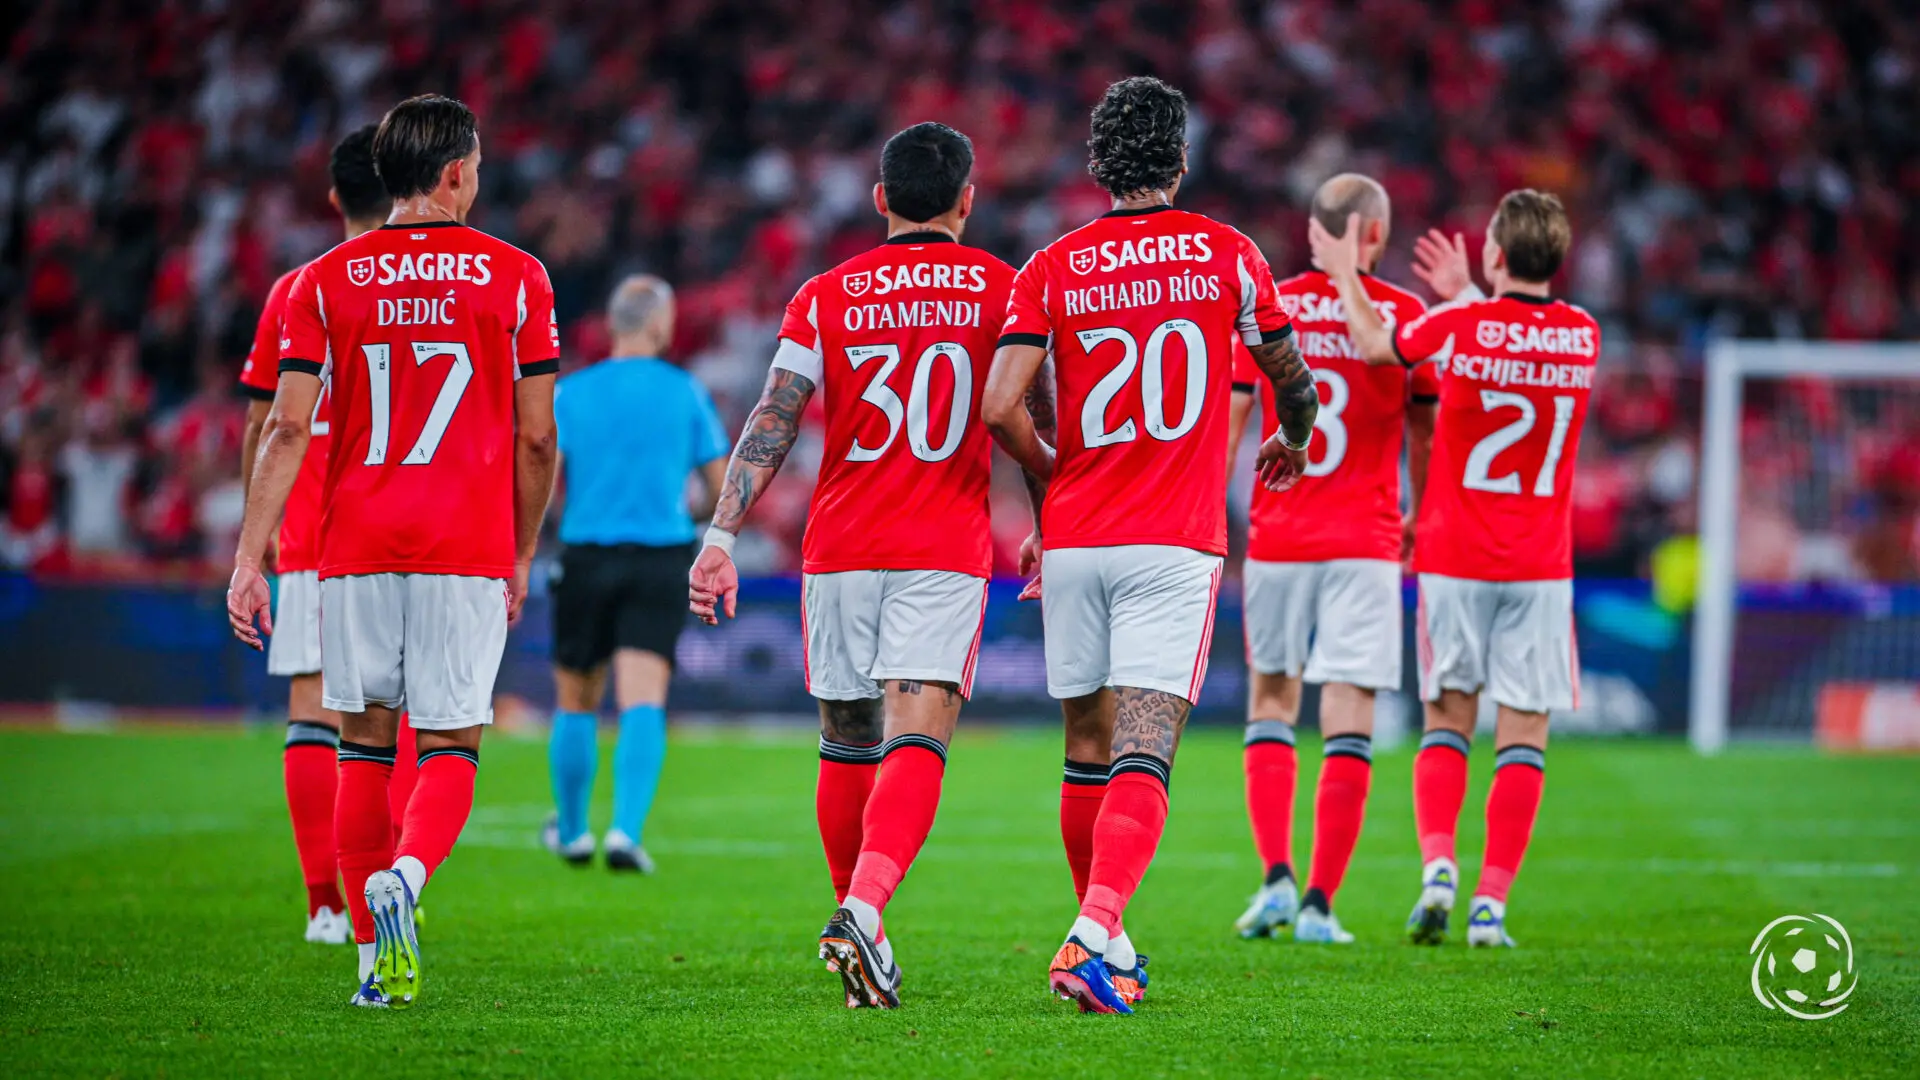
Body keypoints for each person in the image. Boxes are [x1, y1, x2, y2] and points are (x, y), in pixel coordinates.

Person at [981, 76, 1317, 1015]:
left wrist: (1056, 477)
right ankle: (1091, 935)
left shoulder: (1049, 266)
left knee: (1085, 749)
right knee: (1145, 748)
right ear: (1180, 160)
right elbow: (1291, 379)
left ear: (1098, 164)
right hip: (1173, 539)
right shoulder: (1228, 255)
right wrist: (1292, 432)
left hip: (1079, 537)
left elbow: (1000, 407)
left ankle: (1109, 938)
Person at [227, 94, 560, 1007]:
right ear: (455, 172)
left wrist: (250, 557)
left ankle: (372, 961)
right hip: (463, 546)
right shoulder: (517, 275)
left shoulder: (319, 281)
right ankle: (407, 880)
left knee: (364, 749)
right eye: (479, 166)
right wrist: (522, 550)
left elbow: (285, 428)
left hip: (353, 548)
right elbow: (538, 440)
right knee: (449, 742)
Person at [688, 122, 1012, 1010]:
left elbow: (776, 414)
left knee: (846, 738)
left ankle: (857, 916)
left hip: (839, 548)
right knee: (918, 733)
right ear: (966, 200)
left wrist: (721, 537)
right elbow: (1027, 411)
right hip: (941, 546)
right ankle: (864, 908)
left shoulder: (826, 294)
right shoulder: (1001, 289)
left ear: (879, 201)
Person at [1314, 188, 1597, 948]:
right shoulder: (1582, 335)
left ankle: (1438, 866)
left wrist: (1346, 273)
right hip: (1540, 565)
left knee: (1449, 720)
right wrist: (1473, 290)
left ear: (1496, 254)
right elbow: (1519, 335)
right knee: (1524, 733)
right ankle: (1490, 905)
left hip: (1453, 555)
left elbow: (1380, 348)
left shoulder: (1461, 325)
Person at [1223, 174, 1439, 945]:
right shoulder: (1406, 316)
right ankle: (1319, 901)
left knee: (1271, 702)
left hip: (1280, 535)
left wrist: (1210, 514)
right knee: (1348, 716)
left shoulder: (1268, 306)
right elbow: (1425, 434)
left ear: (1315, 230)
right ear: (1373, 235)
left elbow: (1235, 417)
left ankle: (1274, 878)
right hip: (1367, 539)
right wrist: (1423, 510)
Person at [236, 123, 422, 948]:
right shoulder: (432, 283)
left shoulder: (299, 288)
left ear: (334, 197)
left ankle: (326, 905)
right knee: (407, 714)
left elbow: (264, 423)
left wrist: (257, 531)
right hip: (416, 528)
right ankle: (394, 887)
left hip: (314, 527)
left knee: (316, 711)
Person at [541, 275, 728, 872]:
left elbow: (543, 475)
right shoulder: (685, 392)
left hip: (586, 553)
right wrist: (689, 513)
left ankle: (572, 833)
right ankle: (625, 831)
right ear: (654, 323)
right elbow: (722, 487)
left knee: (576, 698)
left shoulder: (573, 393)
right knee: (642, 696)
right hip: (660, 555)